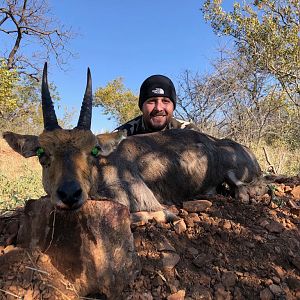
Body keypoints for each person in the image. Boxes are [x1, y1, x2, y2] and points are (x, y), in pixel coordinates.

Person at [114, 74, 199, 136]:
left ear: (173, 106)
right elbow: (101, 151)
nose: (158, 108)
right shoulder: (121, 134)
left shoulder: (189, 131)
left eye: (165, 101)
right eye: (152, 101)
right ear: (141, 106)